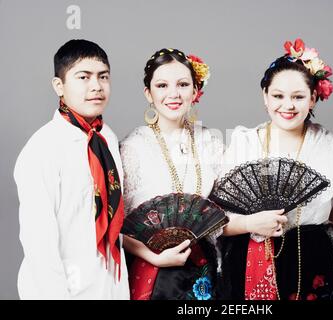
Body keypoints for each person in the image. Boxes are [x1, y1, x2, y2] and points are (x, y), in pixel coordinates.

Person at [219, 37, 333, 300]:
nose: (288, 105)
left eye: (298, 97)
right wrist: (250, 223)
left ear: (314, 98)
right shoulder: (244, 143)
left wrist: (315, 230)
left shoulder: (332, 148)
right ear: (265, 96)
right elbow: (217, 219)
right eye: (278, 96)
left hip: (312, 259)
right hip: (250, 257)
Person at [14, 39, 129, 299]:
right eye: (83, 77)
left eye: (103, 76)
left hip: (111, 285)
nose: (96, 87)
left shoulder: (106, 138)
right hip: (64, 290)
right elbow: (38, 242)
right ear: (59, 86)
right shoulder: (42, 148)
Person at [120, 48, 224, 300]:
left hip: (204, 266)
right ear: (149, 93)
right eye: (162, 85)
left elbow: (224, 214)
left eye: (183, 84)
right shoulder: (132, 147)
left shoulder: (210, 141)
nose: (173, 94)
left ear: (195, 91)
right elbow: (115, 228)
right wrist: (153, 256)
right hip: (153, 269)